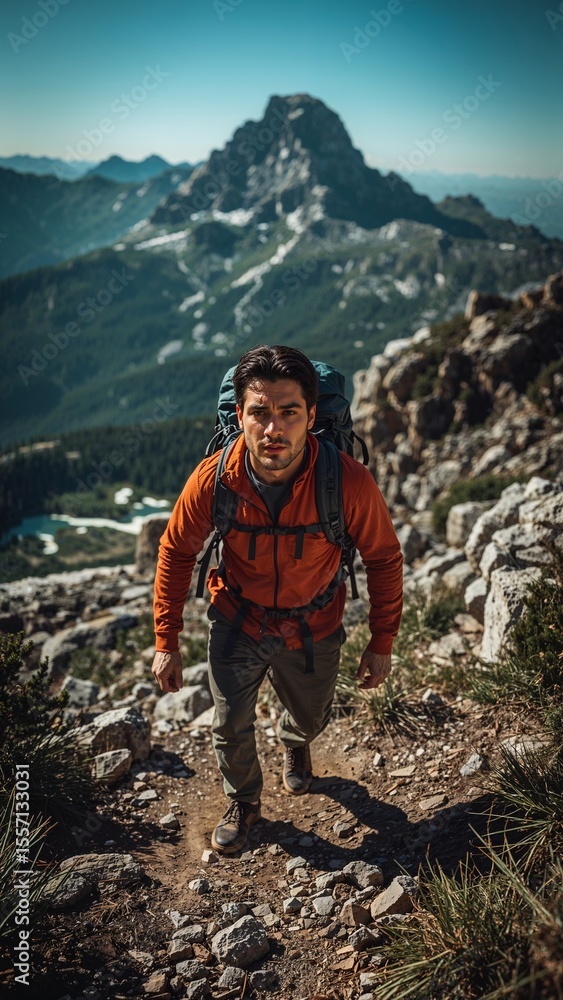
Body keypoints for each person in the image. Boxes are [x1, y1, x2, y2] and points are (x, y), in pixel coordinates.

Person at [152, 345, 403, 854]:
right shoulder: (214, 479)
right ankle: (243, 802)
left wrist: (382, 642)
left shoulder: (347, 482)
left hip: (314, 621)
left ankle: (295, 741)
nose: (273, 429)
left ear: (312, 417)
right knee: (229, 723)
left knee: (312, 716)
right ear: (240, 416)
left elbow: (383, 558)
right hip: (236, 616)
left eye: (289, 412)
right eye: (260, 413)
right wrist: (166, 639)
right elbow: (176, 550)